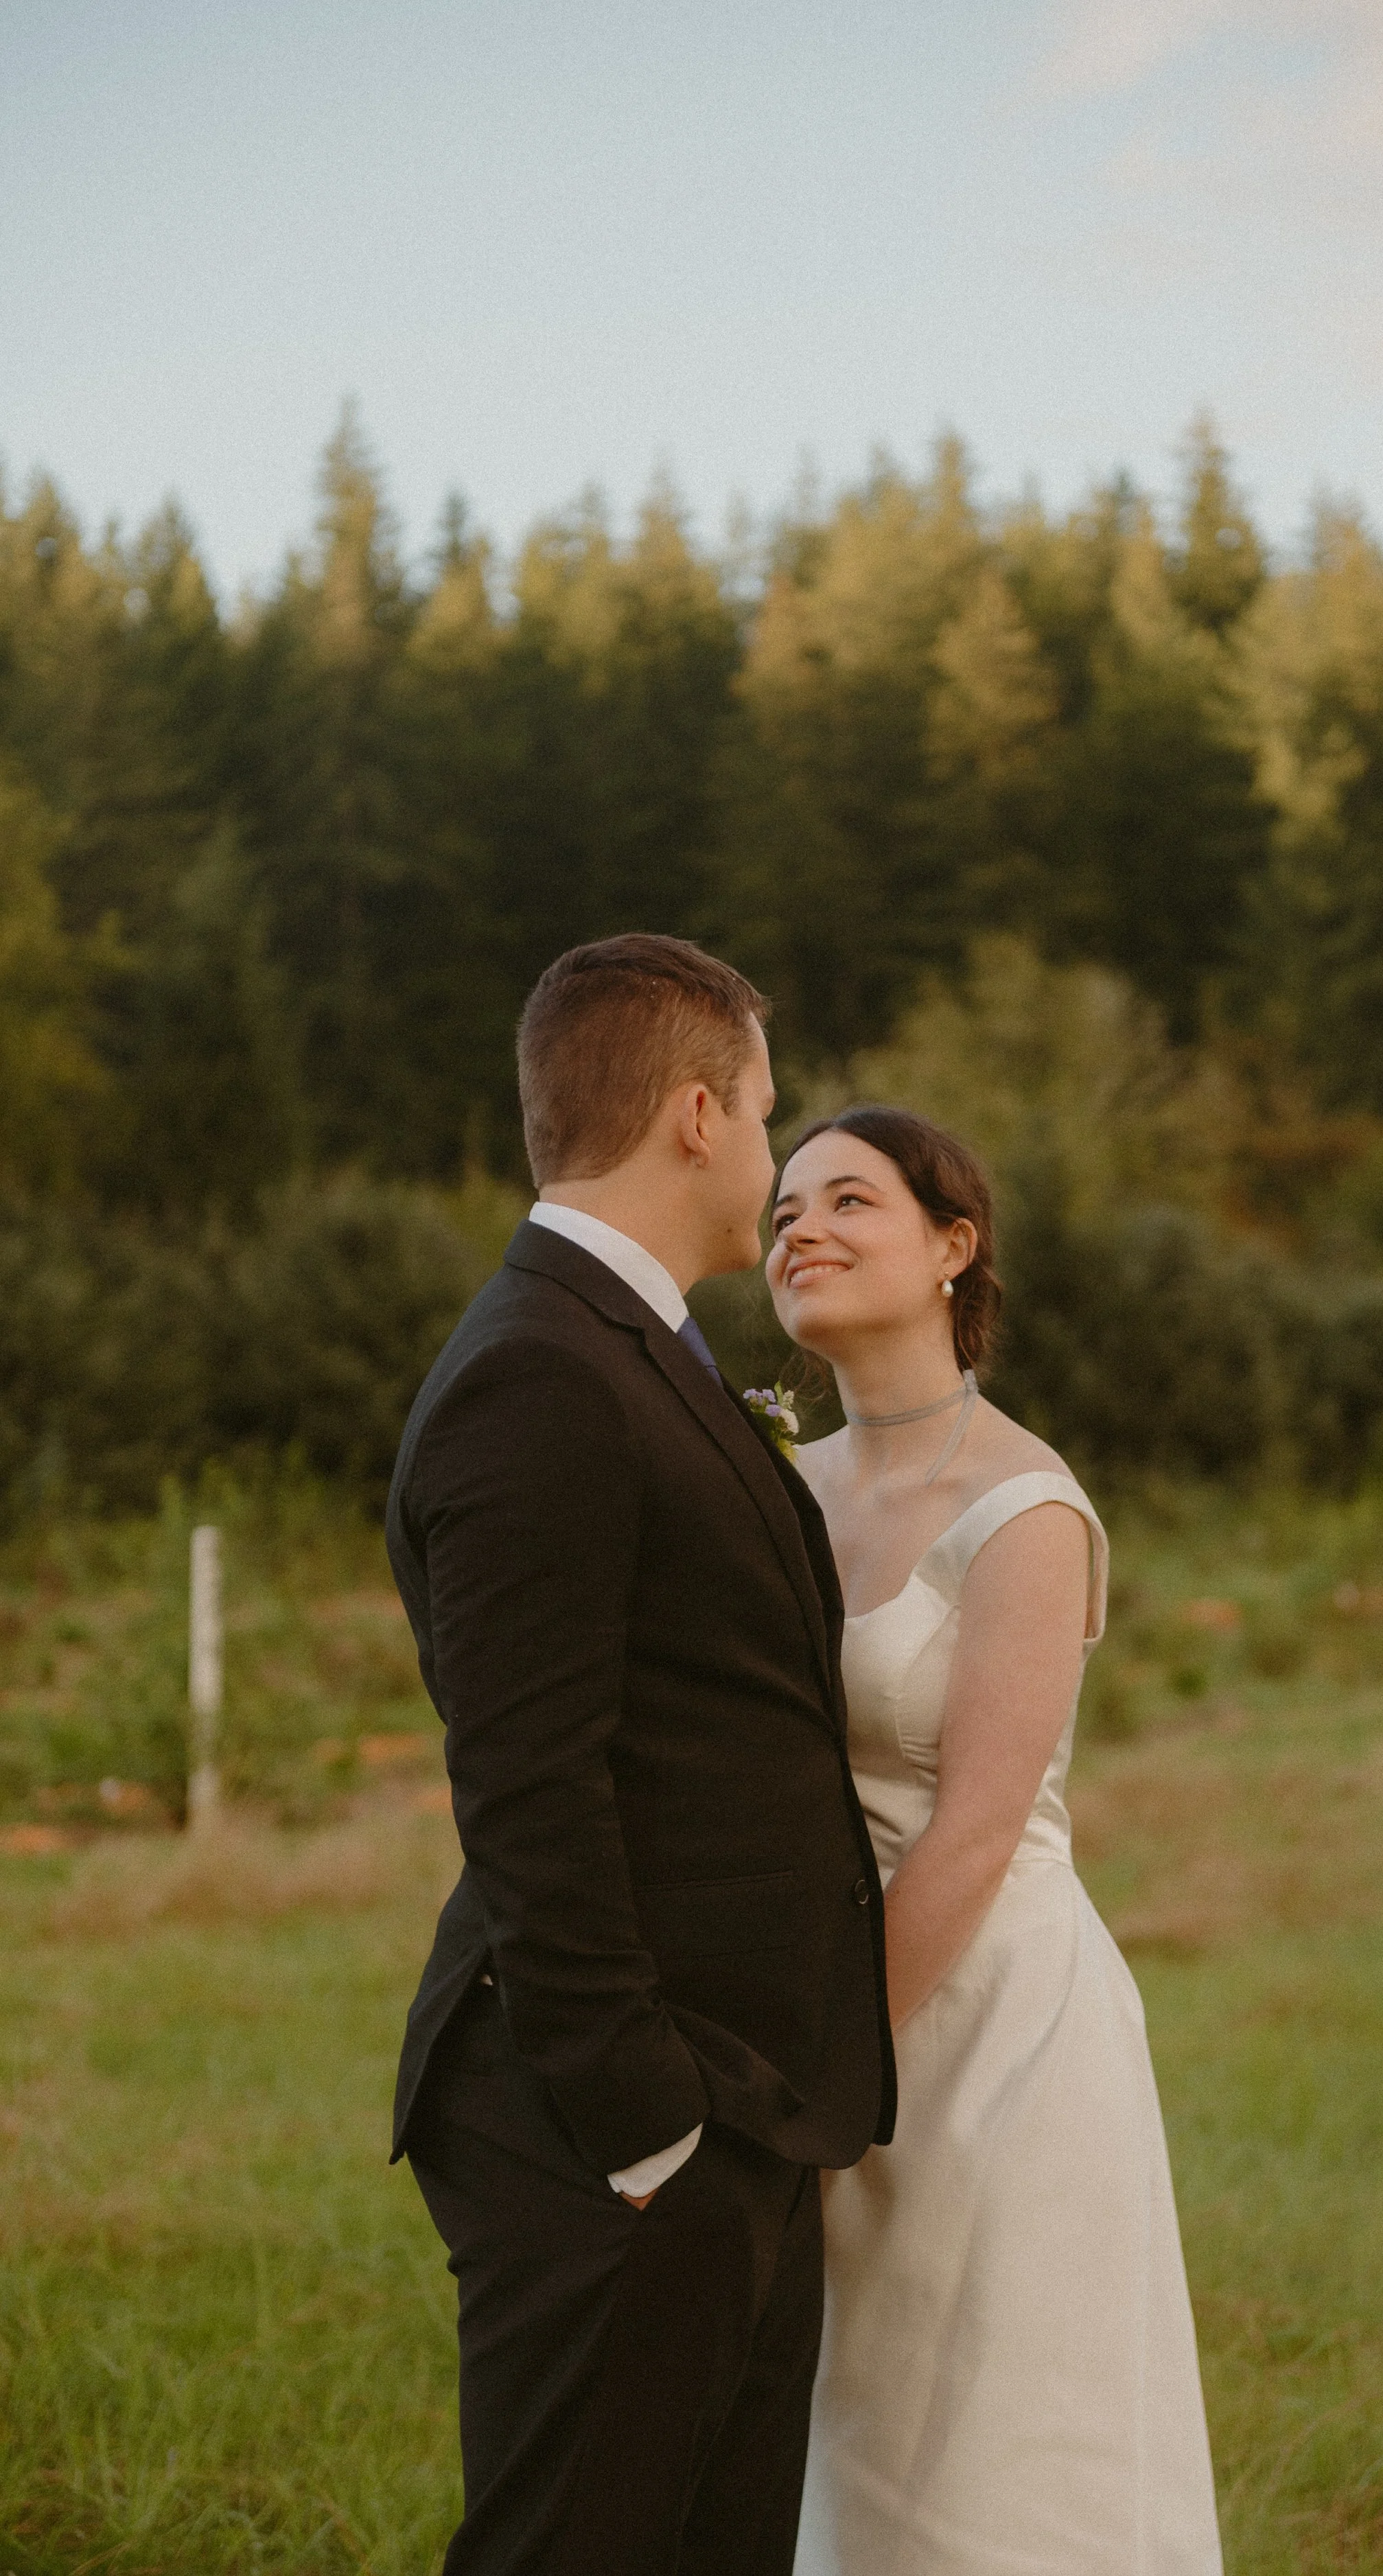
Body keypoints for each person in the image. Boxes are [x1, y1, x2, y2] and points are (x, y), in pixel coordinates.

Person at [386, 937, 894, 2576]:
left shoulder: (636, 1344)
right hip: (613, 2123)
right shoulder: (534, 1373)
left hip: (738, 2100)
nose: (769, 1155)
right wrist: (644, 2128)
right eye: (760, 1111)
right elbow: (530, 1785)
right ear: (694, 1114)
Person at [767, 1106, 1223, 2576]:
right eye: (780, 1210)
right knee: (854, 2449)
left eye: (849, 1200)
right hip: (818, 2004)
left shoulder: (1026, 1505)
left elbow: (968, 1835)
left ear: (951, 1247)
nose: (801, 1229)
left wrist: (823, 2083)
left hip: (987, 2033)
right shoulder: (780, 1488)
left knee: (1000, 2457)